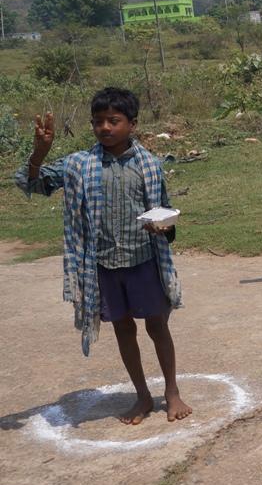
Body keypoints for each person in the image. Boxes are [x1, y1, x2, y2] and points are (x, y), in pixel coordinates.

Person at [15, 88, 191, 424]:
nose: (105, 128)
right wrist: (39, 153)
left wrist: (164, 228)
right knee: (123, 330)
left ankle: (171, 391)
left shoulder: (150, 166)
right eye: (98, 122)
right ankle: (142, 396)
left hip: (144, 261)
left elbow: (167, 218)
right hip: (104, 264)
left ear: (132, 124)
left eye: (114, 121)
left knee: (157, 326)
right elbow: (35, 184)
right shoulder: (79, 164)